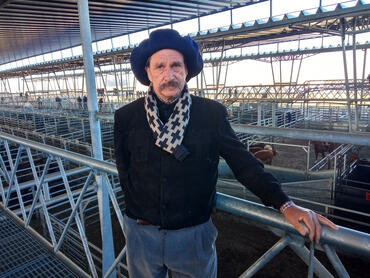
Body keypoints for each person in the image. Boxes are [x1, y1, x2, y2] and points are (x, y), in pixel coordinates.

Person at [114, 29, 337, 278]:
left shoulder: (211, 114)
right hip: (141, 234)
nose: (169, 75)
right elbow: (125, 169)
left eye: (176, 65)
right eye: (160, 67)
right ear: (148, 72)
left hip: (193, 235)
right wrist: (137, 214)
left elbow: (243, 164)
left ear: (187, 70)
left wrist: (285, 204)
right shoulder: (126, 117)